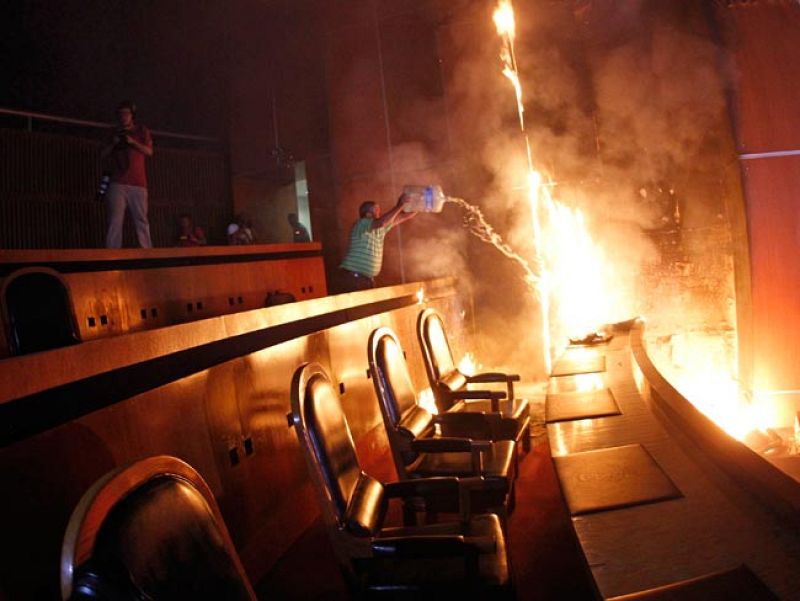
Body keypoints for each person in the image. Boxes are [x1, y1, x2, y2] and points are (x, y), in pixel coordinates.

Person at [101, 100, 154, 248]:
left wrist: (132, 142)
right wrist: (113, 144)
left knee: (141, 219)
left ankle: (147, 252)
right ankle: (113, 254)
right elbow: (102, 155)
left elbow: (149, 152)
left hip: (138, 183)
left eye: (126, 113)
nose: (124, 116)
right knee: (115, 220)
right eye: (121, 114)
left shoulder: (141, 130)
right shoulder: (113, 132)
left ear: (132, 115)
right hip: (117, 182)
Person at [339, 193, 417, 292]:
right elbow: (382, 222)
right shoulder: (361, 224)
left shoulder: (380, 229)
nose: (379, 212)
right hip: (353, 279)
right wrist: (399, 205)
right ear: (367, 214)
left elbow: (405, 216)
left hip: (365, 280)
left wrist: (420, 205)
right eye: (376, 209)